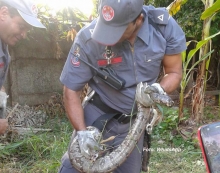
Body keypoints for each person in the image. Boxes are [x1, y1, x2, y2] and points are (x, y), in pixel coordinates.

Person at [59, 0, 186, 172]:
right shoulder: (88, 38)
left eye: (118, 30)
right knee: (73, 168)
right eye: (107, 27)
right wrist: (82, 132)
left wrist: (158, 89)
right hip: (99, 115)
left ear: (139, 19)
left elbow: (174, 72)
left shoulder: (163, 27)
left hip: (135, 123)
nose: (109, 37)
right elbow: (71, 90)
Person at [0, 0, 46, 135]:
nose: (24, 35)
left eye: (27, 30)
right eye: (21, 26)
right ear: (3, 13)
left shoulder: (4, 47)